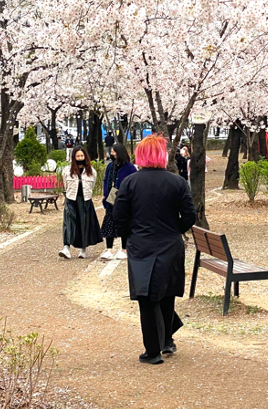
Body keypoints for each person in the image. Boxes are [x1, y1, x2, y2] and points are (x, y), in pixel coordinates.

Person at [114, 134, 196, 365]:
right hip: (170, 244)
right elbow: (190, 215)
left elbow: (119, 216)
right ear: (162, 155)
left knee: (146, 296)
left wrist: (130, 235)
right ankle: (167, 340)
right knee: (167, 293)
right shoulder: (177, 182)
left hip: (141, 245)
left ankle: (152, 351)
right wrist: (174, 229)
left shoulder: (130, 182)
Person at [60, 147, 102, 259]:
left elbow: (92, 185)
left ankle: (83, 249)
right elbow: (65, 185)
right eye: (77, 156)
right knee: (68, 223)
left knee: (84, 224)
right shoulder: (67, 170)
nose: (80, 158)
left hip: (85, 200)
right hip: (71, 199)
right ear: (74, 157)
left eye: (82, 156)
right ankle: (66, 247)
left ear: (85, 157)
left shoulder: (91, 171)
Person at [100, 143, 136, 260]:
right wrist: (106, 195)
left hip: (124, 198)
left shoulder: (130, 168)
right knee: (109, 221)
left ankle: (124, 249)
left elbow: (133, 184)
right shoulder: (110, 166)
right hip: (111, 196)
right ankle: (109, 249)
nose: (111, 154)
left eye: (113, 152)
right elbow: (106, 180)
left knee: (124, 223)